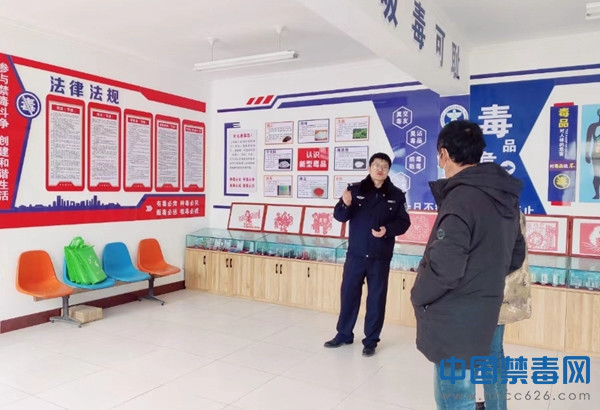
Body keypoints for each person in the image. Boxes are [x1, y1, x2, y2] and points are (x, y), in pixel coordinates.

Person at [410, 120, 526, 409]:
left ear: (444, 154)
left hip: (455, 318)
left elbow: (445, 269)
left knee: (456, 399)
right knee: (491, 362)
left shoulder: (460, 199)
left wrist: (418, 294)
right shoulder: (504, 195)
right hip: (490, 305)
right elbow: (516, 254)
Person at [324, 152, 411, 357]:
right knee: (348, 295)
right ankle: (344, 334)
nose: (380, 169)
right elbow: (339, 216)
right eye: (376, 165)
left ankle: (371, 340)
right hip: (356, 254)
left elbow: (404, 223)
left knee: (376, 299)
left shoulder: (396, 195)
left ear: (388, 171)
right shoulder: (355, 190)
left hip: (380, 256)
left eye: (384, 166)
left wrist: (387, 230)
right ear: (370, 167)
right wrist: (345, 204)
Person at [478, 212, 532, 410]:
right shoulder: (508, 204)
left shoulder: (492, 207)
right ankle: (495, 404)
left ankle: (496, 406)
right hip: (495, 291)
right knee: (492, 352)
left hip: (488, 292)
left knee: (491, 353)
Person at [585, 109, 600, 199]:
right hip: (596, 156)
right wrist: (587, 154)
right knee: (597, 174)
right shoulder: (593, 126)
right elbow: (588, 141)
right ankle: (597, 194)